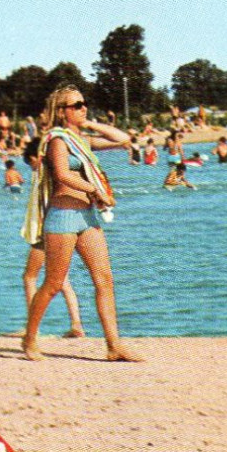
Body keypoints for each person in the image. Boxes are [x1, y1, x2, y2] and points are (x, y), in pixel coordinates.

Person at [20, 86, 141, 362]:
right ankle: (29, 339)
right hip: (63, 216)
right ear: (62, 111)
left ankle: (113, 346)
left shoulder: (81, 138)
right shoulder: (57, 141)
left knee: (104, 280)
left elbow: (123, 138)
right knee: (52, 283)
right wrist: (95, 189)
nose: (83, 108)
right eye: (77, 105)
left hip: (87, 216)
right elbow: (63, 175)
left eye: (84, 103)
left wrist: (86, 122)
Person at [18, 138, 84, 342]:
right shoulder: (57, 172)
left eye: (31, 164)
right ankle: (76, 324)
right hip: (62, 227)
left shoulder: (42, 174)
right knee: (62, 279)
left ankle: (32, 328)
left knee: (30, 276)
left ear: (34, 158)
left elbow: (41, 207)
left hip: (45, 230)